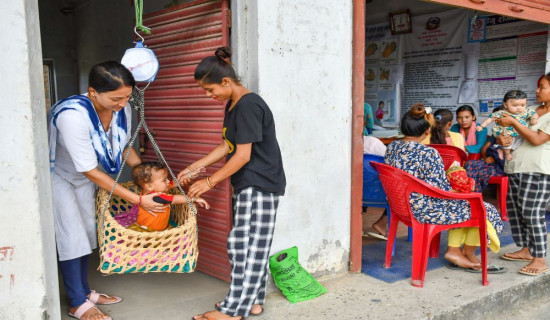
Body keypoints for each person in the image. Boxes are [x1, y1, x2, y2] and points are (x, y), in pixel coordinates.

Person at [48, 61, 167, 320]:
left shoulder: (120, 109)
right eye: (116, 98)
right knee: (71, 237)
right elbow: (89, 169)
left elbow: (122, 144)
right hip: (61, 177)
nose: (123, 103)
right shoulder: (72, 116)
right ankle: (77, 302)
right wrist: (138, 199)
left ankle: (83, 292)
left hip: (85, 179)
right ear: (93, 92)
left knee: (86, 235)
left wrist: (145, 176)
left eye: (127, 97)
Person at [176, 47, 286, 320]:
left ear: (226, 82)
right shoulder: (234, 104)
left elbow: (243, 155)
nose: (208, 96)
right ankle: (254, 302)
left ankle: (233, 311)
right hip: (250, 183)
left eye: (209, 90)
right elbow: (228, 145)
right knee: (246, 245)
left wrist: (209, 182)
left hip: (260, 183)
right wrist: (195, 167)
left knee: (246, 246)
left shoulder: (249, 104)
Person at [385, 103, 504, 272]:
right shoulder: (428, 153)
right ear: (427, 131)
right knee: (483, 208)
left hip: (400, 205)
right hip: (425, 209)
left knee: (466, 203)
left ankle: (459, 252)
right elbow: (441, 190)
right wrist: (464, 189)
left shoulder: (392, 147)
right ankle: (462, 252)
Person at [497, 73, 550, 276]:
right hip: (516, 167)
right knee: (517, 212)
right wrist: (504, 140)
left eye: (542, 87)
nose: (537, 91)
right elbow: (516, 135)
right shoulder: (533, 111)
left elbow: (537, 139)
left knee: (532, 212)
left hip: (537, 169)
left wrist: (513, 122)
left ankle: (539, 259)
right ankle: (527, 250)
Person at [128, 162, 209, 232]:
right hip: (148, 233)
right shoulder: (155, 197)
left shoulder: (150, 191)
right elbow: (175, 199)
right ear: (149, 186)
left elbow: (173, 183)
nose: (168, 181)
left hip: (159, 231)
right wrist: (195, 198)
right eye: (164, 180)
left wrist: (189, 175)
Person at [477, 90, 538, 161]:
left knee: (520, 143)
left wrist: (534, 118)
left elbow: (533, 113)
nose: (519, 108)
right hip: (507, 133)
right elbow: (490, 119)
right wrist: (482, 126)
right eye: (515, 105)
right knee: (507, 141)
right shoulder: (501, 113)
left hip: (520, 133)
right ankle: (507, 153)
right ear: (505, 104)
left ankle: (507, 152)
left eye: (522, 105)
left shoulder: (526, 112)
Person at [464, 106, 507, 192]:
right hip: (493, 164)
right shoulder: (496, 133)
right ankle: (472, 194)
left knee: (478, 171)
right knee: (470, 164)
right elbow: (484, 148)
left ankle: (475, 194)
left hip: (505, 167)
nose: (498, 121)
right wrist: (486, 158)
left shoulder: (514, 132)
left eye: (500, 118)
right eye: (496, 119)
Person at [362, 136, 388, 240]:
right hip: (380, 193)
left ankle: (357, 224)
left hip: (356, 192)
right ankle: (382, 223)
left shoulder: (346, 145)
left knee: (362, 179)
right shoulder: (374, 143)